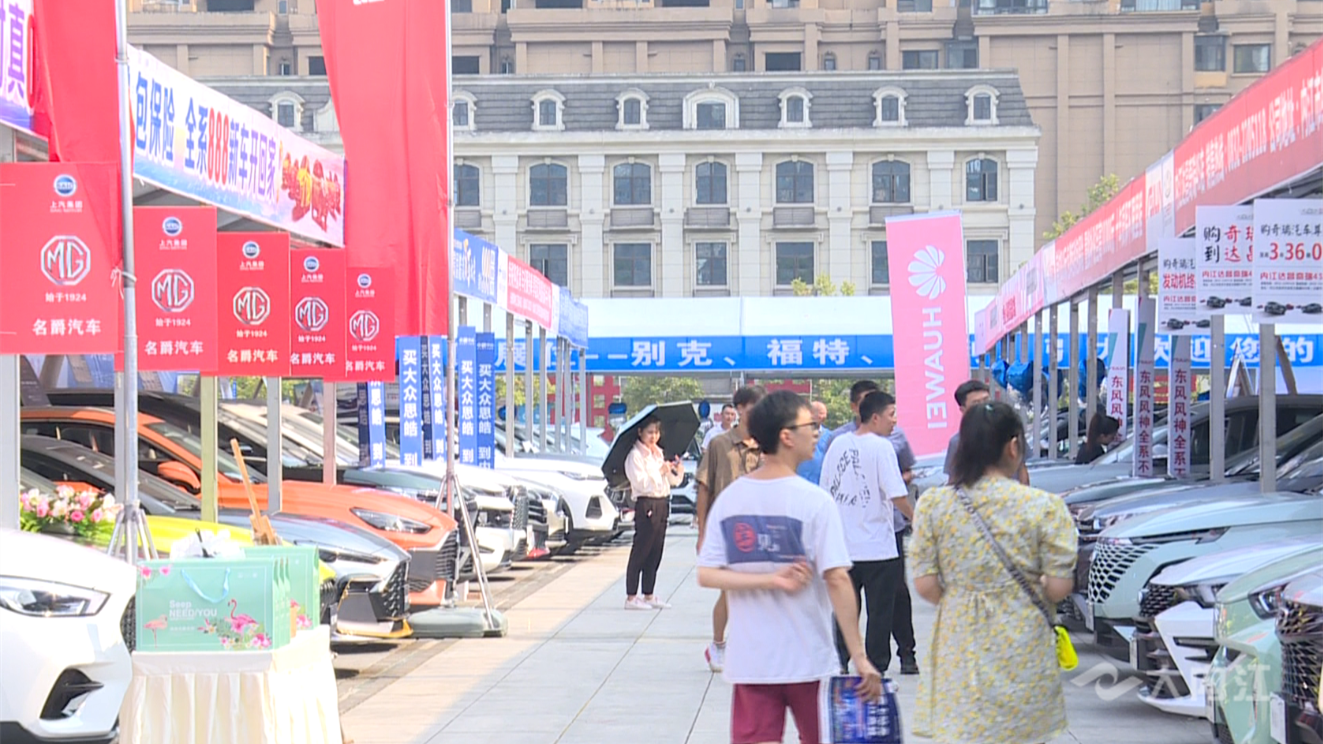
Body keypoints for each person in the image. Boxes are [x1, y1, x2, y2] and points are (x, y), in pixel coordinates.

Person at [697, 391, 883, 744]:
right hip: (807, 659)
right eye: (809, 425)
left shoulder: (732, 499)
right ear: (786, 436)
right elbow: (837, 579)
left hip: (753, 662)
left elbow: (707, 574)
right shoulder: (814, 502)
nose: (816, 432)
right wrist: (859, 656)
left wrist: (764, 578)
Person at [908, 401, 1077, 743]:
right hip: (1023, 641)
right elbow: (1059, 587)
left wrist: (962, 596)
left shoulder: (934, 505)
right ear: (1013, 446)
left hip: (959, 642)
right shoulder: (1044, 507)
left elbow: (925, 585)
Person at [819, 390, 913, 678]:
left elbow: (825, 491)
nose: (894, 421)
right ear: (875, 417)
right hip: (878, 547)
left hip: (843, 547)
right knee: (879, 613)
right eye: (891, 415)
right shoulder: (882, 447)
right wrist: (917, 519)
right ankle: (875, 667)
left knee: (845, 609)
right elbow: (896, 494)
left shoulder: (837, 444)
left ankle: (841, 660)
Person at [695, 385, 766, 672]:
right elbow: (704, 487)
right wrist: (702, 532)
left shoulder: (769, 444)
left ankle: (751, 645)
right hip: (726, 527)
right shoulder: (719, 444)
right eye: (750, 407)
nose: (756, 413)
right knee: (729, 589)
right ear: (738, 410)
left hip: (761, 526)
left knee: (758, 591)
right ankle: (718, 643)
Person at [623, 416, 685, 610]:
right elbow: (641, 483)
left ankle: (648, 593)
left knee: (656, 551)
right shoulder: (635, 456)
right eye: (649, 432)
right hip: (646, 503)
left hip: (662, 502)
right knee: (641, 549)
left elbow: (671, 482)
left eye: (656, 432)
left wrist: (677, 470)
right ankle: (631, 596)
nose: (653, 436)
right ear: (640, 432)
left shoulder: (658, 453)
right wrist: (660, 471)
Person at [944, 379, 1031, 486]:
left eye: (986, 400)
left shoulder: (1011, 431)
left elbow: (1022, 469)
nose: (983, 407)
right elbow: (954, 479)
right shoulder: (958, 442)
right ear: (963, 410)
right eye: (976, 404)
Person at [794, 401, 831, 483]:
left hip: (820, 482)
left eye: (825, 414)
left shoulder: (829, 436)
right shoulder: (798, 433)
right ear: (811, 413)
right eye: (821, 413)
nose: (824, 417)